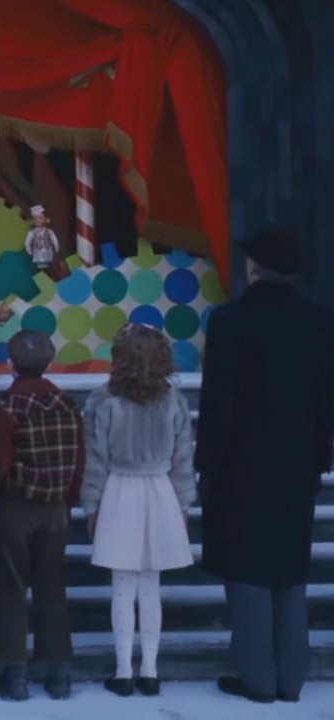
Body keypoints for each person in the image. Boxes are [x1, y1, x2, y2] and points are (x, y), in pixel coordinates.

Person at [197, 226, 334, 704]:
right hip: (297, 463)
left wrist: (208, 466)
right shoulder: (318, 322)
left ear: (253, 267)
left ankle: (259, 679)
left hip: (242, 463)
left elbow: (218, 402)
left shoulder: (230, 321)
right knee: (290, 573)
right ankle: (291, 678)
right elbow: (325, 400)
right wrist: (320, 458)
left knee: (247, 568)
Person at [81, 324, 195, 698]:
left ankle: (123, 671)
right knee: (150, 585)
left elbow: (95, 460)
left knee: (122, 585)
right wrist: (183, 504)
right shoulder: (174, 399)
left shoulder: (103, 399)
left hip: (119, 490)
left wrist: (92, 505)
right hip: (160, 490)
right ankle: (150, 670)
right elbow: (182, 459)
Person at [0, 330, 84, 701]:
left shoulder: (8, 407)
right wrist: (70, 498)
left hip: (18, 507)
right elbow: (78, 458)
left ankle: (14, 674)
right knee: (53, 587)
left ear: (11, 364)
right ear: (50, 362)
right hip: (56, 508)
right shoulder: (67, 404)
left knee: (11, 588)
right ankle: (59, 674)